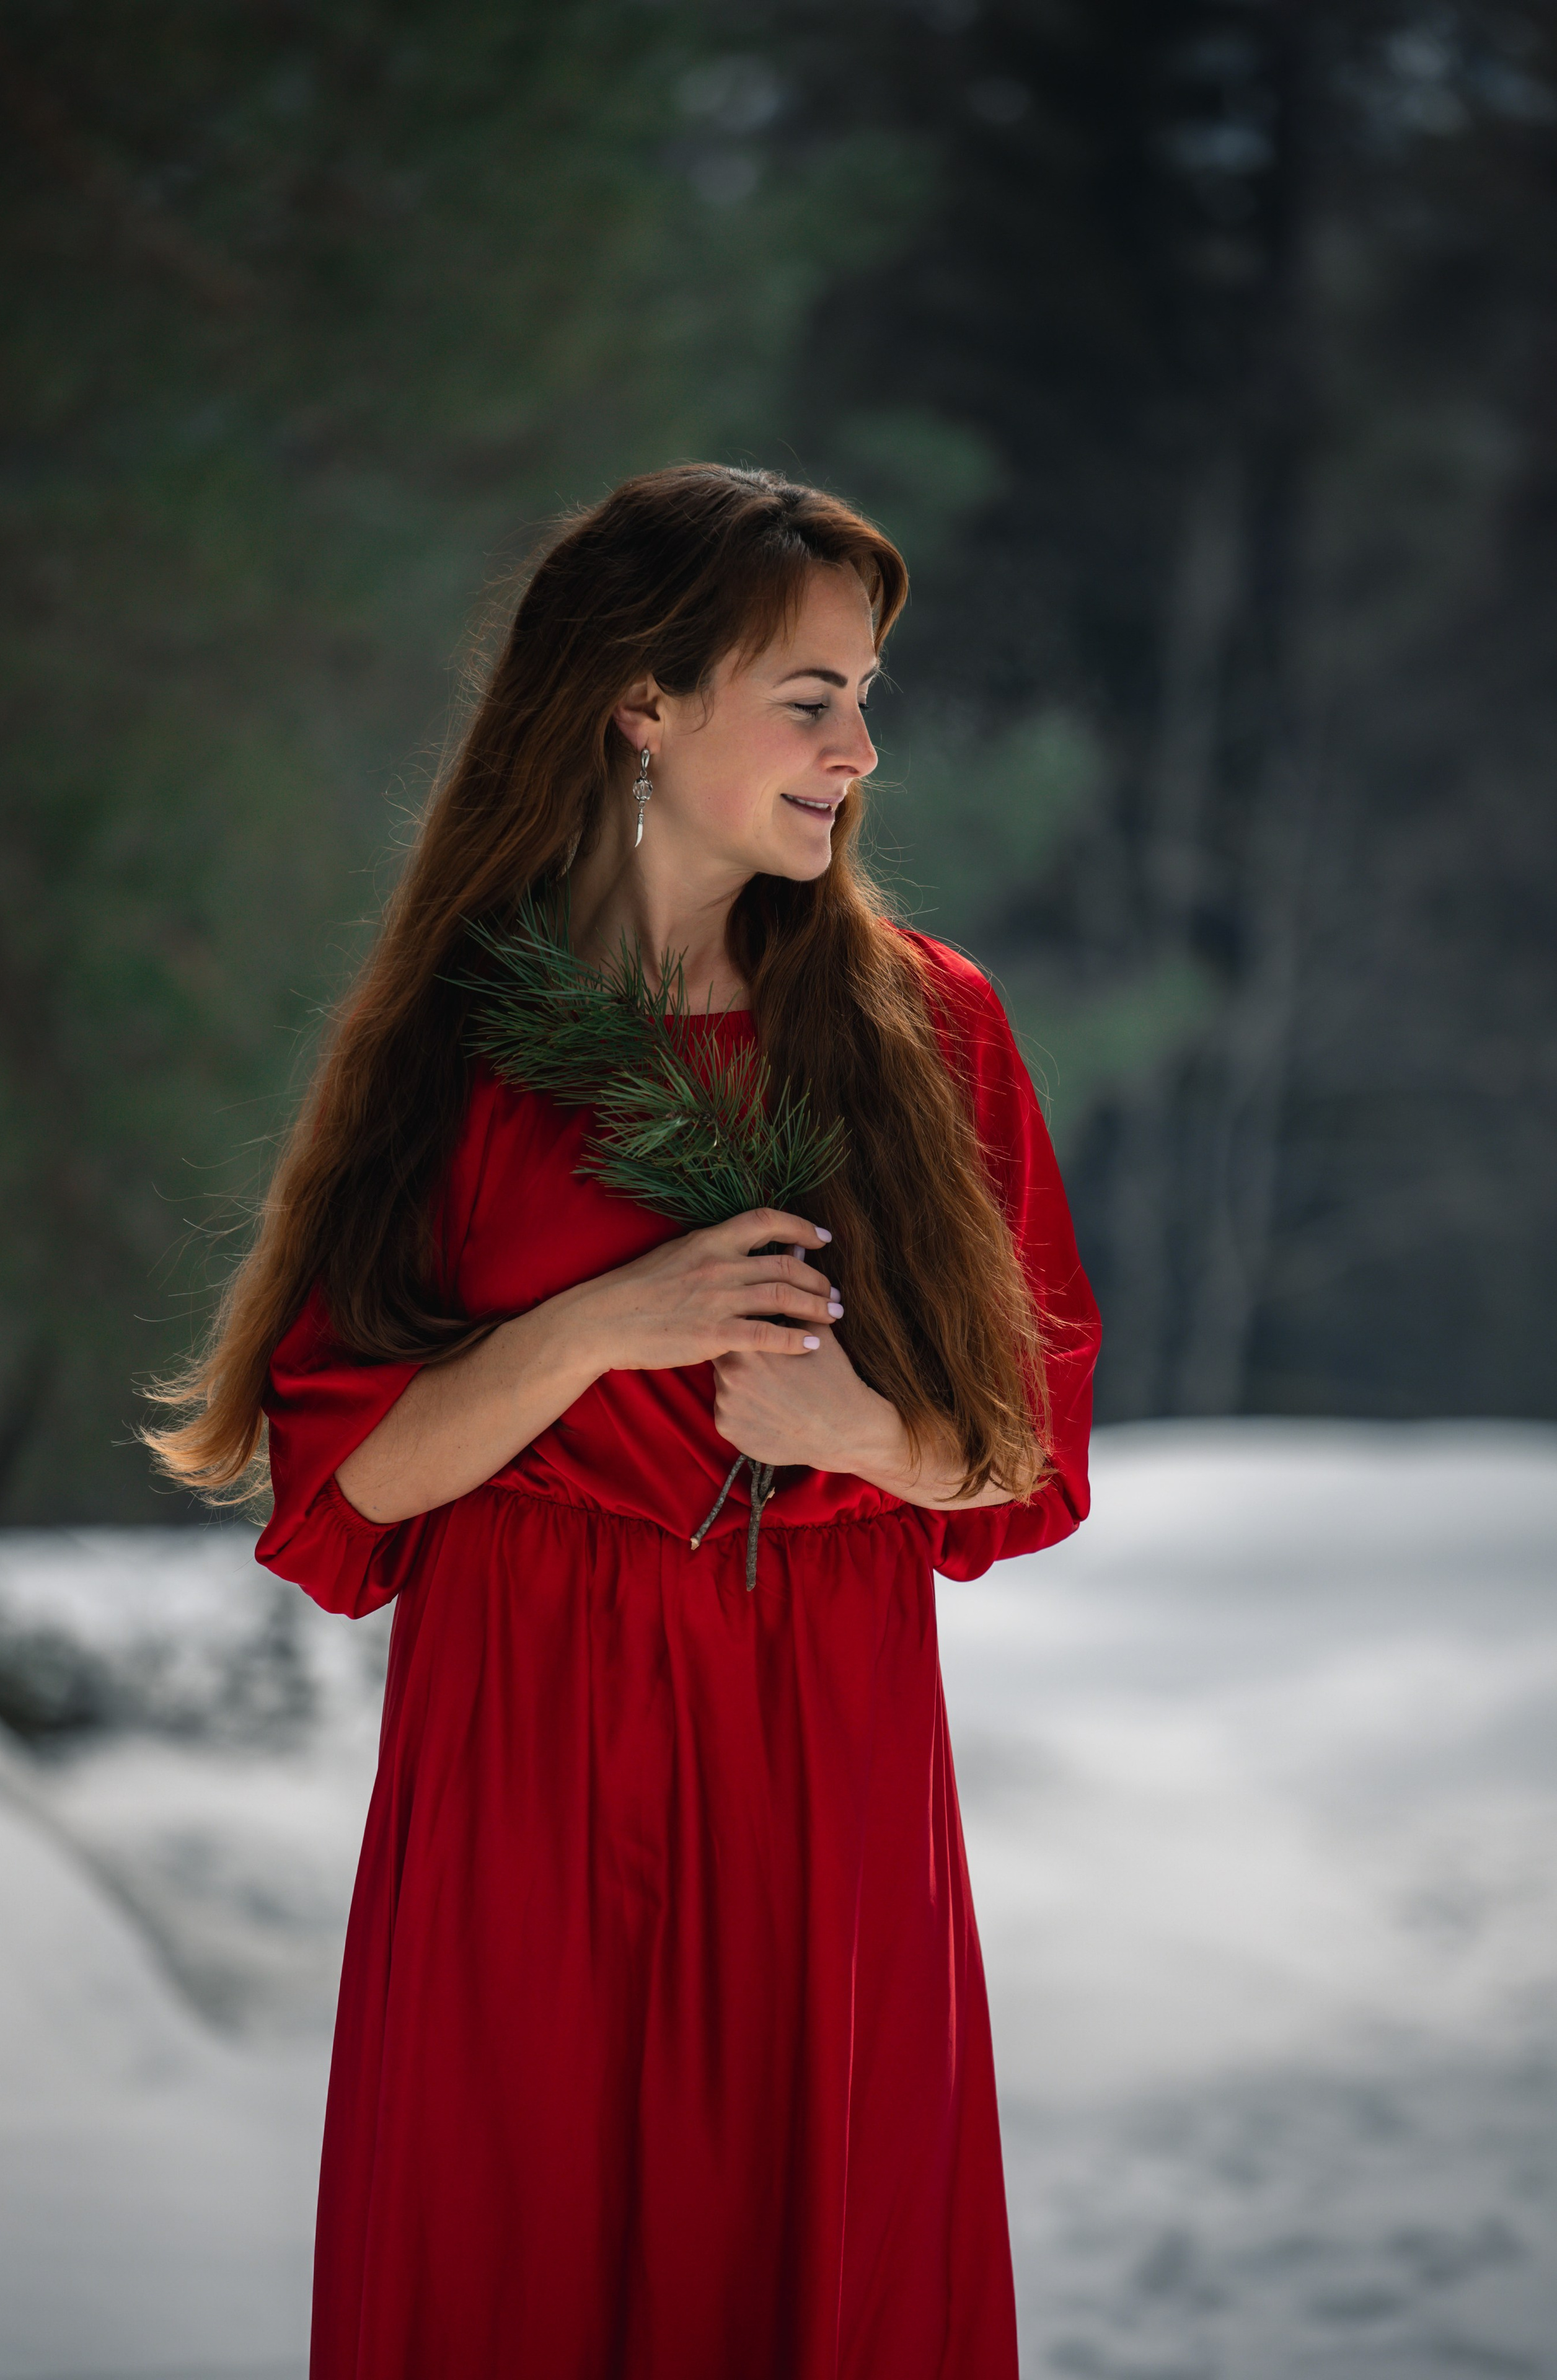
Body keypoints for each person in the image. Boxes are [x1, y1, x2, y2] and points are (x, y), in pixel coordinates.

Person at [148, 463, 1100, 2380]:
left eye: (869, 695)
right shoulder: (454, 1038)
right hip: (522, 1724)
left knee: (808, 2253)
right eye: (810, 697)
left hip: (818, 1734)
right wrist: (601, 1329)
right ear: (641, 703)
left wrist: (851, 1432)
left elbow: (1031, 1454)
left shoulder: (936, 1028)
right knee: (516, 2244)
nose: (862, 747)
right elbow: (351, 1482)